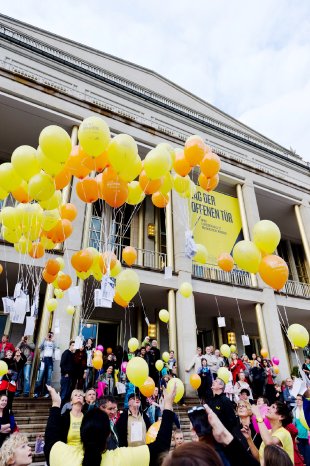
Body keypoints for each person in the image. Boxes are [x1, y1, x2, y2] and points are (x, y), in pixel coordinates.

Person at [44, 383, 176, 466]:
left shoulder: (64, 456)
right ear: (108, 434)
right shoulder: (120, 458)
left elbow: (51, 437)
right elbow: (161, 448)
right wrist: (168, 406)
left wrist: (56, 404)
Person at [33, 331, 56, 398]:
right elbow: (39, 347)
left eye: (51, 335)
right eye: (49, 335)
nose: (50, 336)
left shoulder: (53, 342)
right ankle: (36, 392)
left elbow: (56, 348)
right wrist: (44, 339)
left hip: (50, 360)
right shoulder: (45, 341)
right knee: (39, 377)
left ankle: (46, 393)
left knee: (48, 378)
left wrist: (53, 341)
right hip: (43, 360)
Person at [293, 394, 310, 466]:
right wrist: (295, 436)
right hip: (299, 437)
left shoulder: (307, 410)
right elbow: (294, 425)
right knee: (302, 457)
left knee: (308, 457)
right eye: (296, 399)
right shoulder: (294, 410)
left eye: (300, 399)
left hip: (307, 437)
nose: (298, 401)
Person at [60, 340, 75, 406]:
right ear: (70, 345)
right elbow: (62, 364)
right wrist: (65, 373)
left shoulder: (72, 354)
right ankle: (59, 408)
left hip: (71, 376)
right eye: (73, 345)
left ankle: (62, 408)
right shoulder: (66, 352)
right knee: (63, 393)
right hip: (66, 375)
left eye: (75, 346)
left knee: (67, 393)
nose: (74, 347)